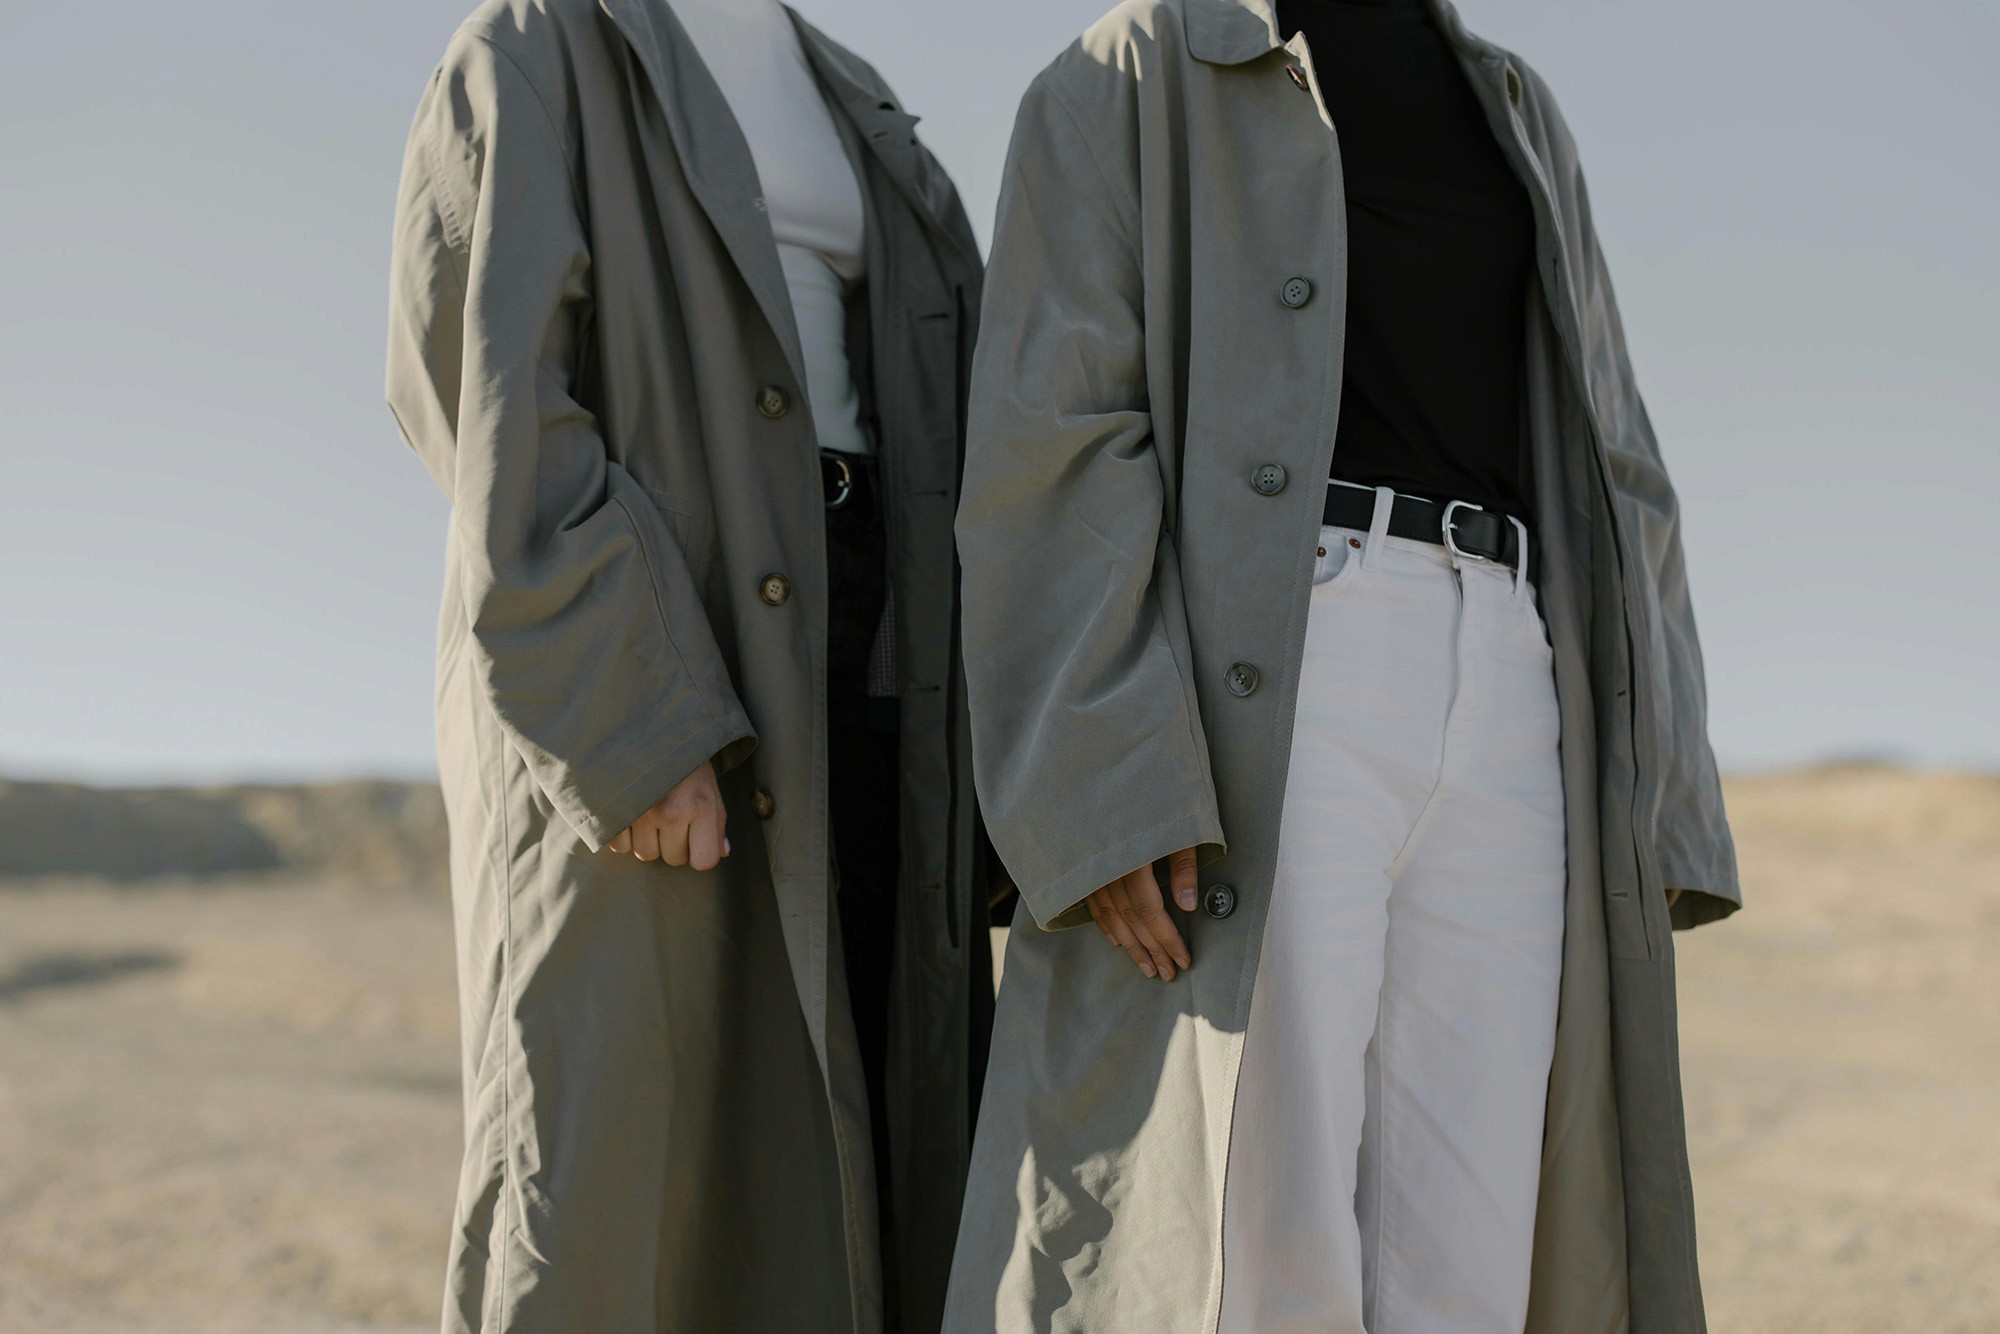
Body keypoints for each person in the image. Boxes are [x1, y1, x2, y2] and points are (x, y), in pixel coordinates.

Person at [946, 0, 1739, 1330]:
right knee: (1271, 1220)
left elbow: (1622, 457)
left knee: (1474, 1238)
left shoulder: (1514, 101)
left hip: (1508, 669)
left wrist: (1664, 785)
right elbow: (1052, 433)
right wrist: (1100, 774)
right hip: (1281, 659)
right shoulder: (1133, 68)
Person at [384, 0, 989, 1329]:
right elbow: (493, 405)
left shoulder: (855, 94)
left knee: (867, 1167)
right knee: (622, 1181)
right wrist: (635, 714)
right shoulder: (536, 45)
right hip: (665, 654)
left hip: (874, 657)